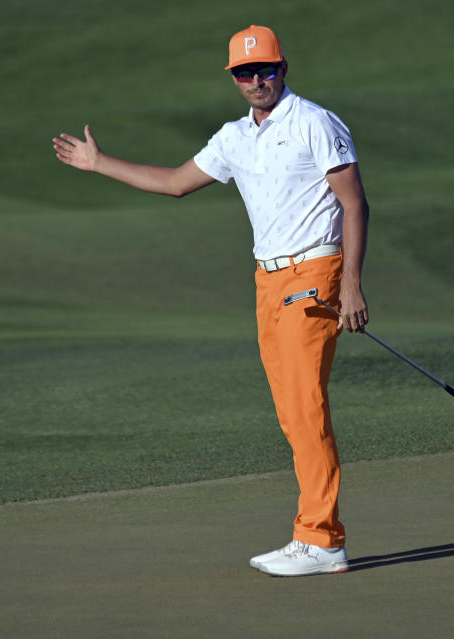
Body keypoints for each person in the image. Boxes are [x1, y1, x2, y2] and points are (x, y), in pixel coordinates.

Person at [52, 24, 369, 577]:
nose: (256, 80)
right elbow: (175, 181)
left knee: (305, 407)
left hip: (314, 272)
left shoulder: (314, 122)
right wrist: (99, 164)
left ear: (283, 68)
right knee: (292, 415)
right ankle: (317, 536)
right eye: (245, 73)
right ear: (234, 78)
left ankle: (321, 539)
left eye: (264, 69)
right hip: (267, 281)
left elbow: (354, 203)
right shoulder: (234, 137)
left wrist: (352, 284)